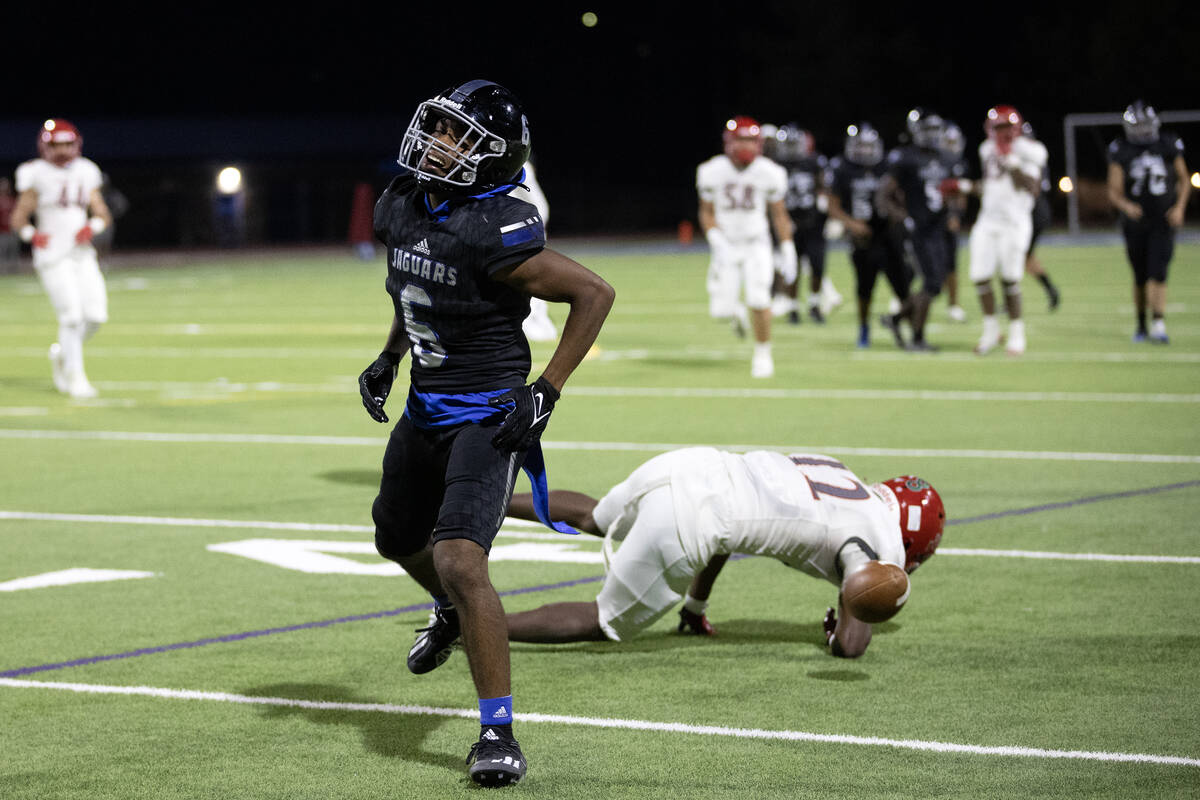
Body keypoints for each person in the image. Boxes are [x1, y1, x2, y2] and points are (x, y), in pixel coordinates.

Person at [357, 79, 615, 788]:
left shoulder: (496, 227)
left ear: (492, 157)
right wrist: (390, 355)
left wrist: (546, 392)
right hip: (425, 405)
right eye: (437, 129)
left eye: (457, 137)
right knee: (394, 538)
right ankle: (448, 612)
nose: (437, 144)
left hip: (487, 413)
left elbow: (594, 293)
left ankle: (497, 731)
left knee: (462, 560)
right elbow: (414, 289)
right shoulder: (404, 204)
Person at [502, 448, 945, 659]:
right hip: (700, 514)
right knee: (605, 620)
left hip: (691, 463)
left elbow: (731, 535)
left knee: (595, 516)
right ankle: (474, 626)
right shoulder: (881, 539)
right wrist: (848, 621)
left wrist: (694, 606)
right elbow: (852, 638)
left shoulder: (841, 474)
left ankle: (481, 500)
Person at [9, 119, 113, 398]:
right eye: (57, 145)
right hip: (53, 255)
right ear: (46, 147)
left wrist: (93, 227)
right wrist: (33, 235)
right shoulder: (36, 174)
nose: (63, 150)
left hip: (81, 253)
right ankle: (75, 377)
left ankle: (62, 354)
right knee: (71, 316)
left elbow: (102, 213)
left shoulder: (87, 171)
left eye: (68, 143)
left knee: (95, 315)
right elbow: (19, 218)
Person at [697, 116, 796, 378]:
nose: (748, 146)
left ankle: (763, 355)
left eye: (752, 140)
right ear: (729, 142)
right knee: (720, 312)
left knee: (759, 298)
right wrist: (716, 239)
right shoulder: (711, 171)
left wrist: (787, 247)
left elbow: (779, 214)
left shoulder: (769, 172)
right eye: (742, 140)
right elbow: (706, 212)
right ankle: (735, 311)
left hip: (756, 244)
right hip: (726, 245)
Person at [943, 105, 1047, 356]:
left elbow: (1033, 187)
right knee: (980, 275)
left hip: (1014, 222)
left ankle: (1016, 333)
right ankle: (990, 331)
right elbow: (991, 185)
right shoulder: (986, 149)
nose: (1002, 132)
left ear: (1016, 128)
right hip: (988, 220)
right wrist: (965, 186)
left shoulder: (1030, 151)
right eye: (997, 127)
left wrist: (1012, 162)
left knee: (1010, 278)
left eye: (1005, 127)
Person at [1106, 100, 1190, 344]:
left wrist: (1179, 207)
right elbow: (1113, 189)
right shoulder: (1121, 149)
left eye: (1146, 125)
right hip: (1136, 221)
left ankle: (1158, 323)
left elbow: (1184, 180)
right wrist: (1126, 206)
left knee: (1159, 272)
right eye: (1138, 125)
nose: (1143, 131)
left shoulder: (1167, 144)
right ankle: (1141, 324)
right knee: (1140, 276)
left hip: (1163, 219)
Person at [826, 122, 911, 348]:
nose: (864, 151)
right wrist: (852, 225)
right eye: (860, 146)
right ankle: (863, 328)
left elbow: (901, 197)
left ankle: (909, 327)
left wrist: (900, 217)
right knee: (864, 287)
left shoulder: (888, 166)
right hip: (861, 238)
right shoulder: (843, 169)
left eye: (868, 146)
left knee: (903, 285)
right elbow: (832, 205)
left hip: (889, 234)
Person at [876, 108, 953, 352]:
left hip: (938, 228)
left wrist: (954, 210)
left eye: (935, 130)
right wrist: (903, 218)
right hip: (918, 230)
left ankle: (896, 319)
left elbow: (948, 191)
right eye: (927, 130)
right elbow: (884, 195)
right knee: (931, 284)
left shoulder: (945, 157)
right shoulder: (906, 158)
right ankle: (917, 338)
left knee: (935, 284)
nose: (931, 135)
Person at [768, 124, 836, 323]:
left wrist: (825, 207)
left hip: (813, 222)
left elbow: (824, 185)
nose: (790, 148)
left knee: (817, 265)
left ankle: (814, 304)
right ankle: (793, 307)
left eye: (793, 144)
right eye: (787, 144)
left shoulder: (814, 161)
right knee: (792, 267)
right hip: (789, 222)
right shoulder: (775, 165)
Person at [509, 157, 557, 342]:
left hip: (521, 231)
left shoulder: (520, 168)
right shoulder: (520, 168)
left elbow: (540, 208)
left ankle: (532, 322)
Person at [1021, 122, 1061, 311]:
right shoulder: (1037, 153)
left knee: (1017, 256)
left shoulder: (1026, 157)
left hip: (1032, 211)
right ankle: (1050, 289)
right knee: (1023, 256)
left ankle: (1049, 289)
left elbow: (1032, 190)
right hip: (1040, 209)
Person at [939, 122, 970, 323]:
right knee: (918, 264)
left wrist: (956, 216)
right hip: (928, 219)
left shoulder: (960, 165)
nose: (951, 146)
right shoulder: (931, 161)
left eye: (954, 142)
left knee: (951, 264)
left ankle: (953, 305)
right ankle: (902, 299)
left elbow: (961, 196)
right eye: (948, 142)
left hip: (948, 219)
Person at [0, 177, 18, 273]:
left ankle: (12, 272)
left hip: (12, 230)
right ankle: (2, 271)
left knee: (13, 253)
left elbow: (18, 215)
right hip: (1, 231)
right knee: (2, 253)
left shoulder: (12, 200)